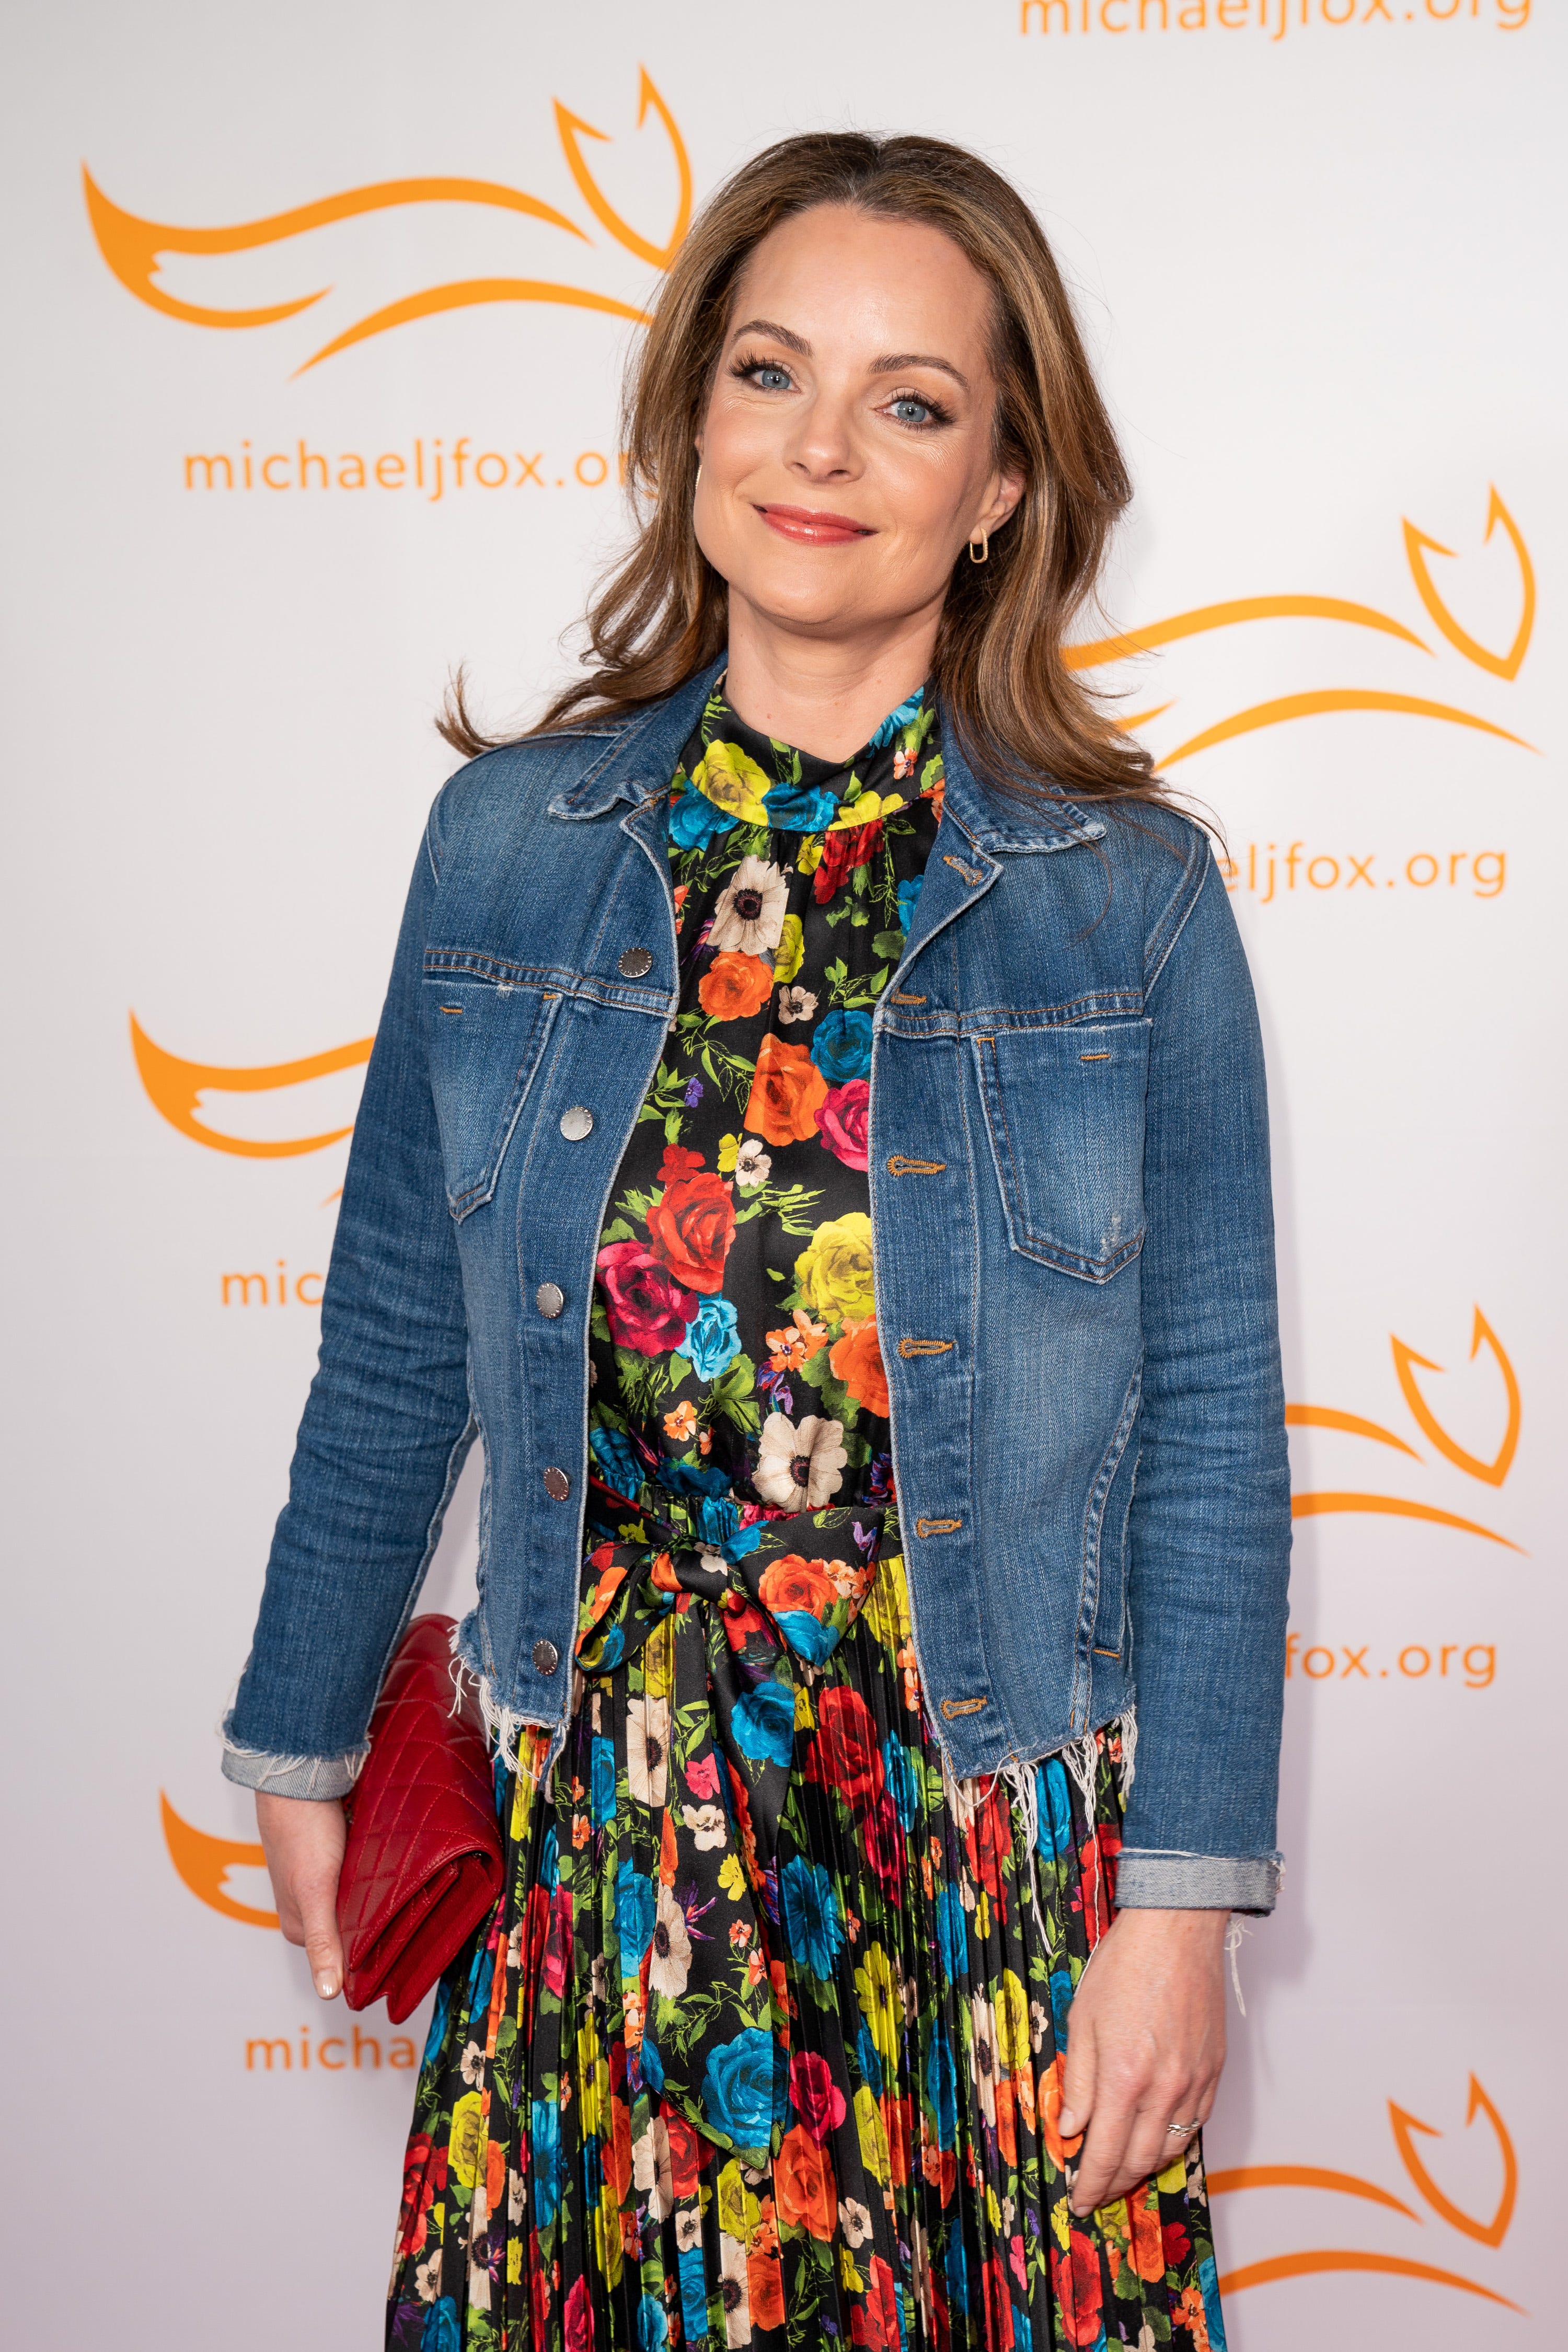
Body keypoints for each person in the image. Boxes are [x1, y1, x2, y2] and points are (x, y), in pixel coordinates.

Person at [226, 131, 1290, 2351]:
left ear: (1004, 483)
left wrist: (1182, 1906)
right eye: (769, 373)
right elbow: (400, 1339)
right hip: (605, 1837)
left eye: (913, 402)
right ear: (688, 419)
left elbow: (1206, 1432)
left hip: (993, 1847)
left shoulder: (1131, 901)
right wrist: (299, 1732)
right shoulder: (506, 847)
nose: (822, 448)